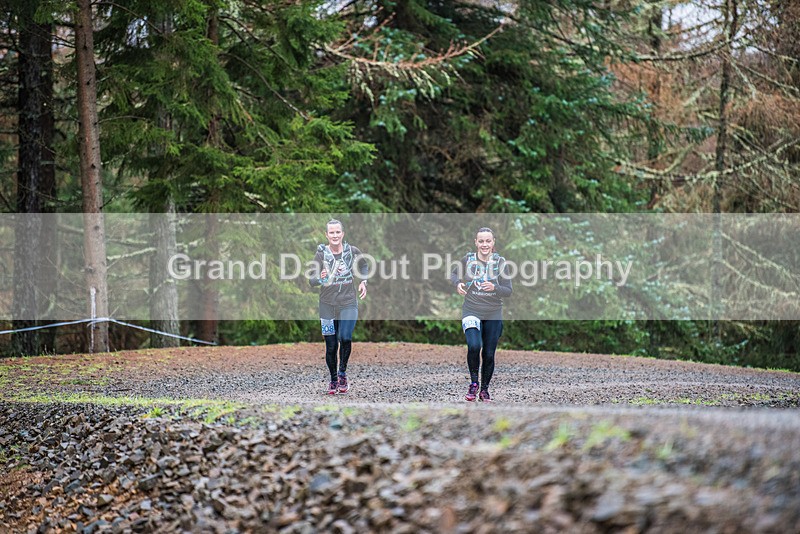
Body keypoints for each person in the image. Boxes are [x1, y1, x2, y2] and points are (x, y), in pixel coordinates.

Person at [450, 227, 512, 402]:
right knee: (474, 346)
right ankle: (474, 383)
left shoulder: (501, 263)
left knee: (489, 354)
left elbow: (508, 290)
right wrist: (458, 284)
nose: (484, 244)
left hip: (493, 313)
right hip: (471, 310)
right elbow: (453, 274)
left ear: (493, 243)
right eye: (481, 241)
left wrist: (495, 288)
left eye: (488, 241)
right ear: (476, 242)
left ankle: (485, 390)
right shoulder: (468, 259)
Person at [309, 219, 368, 395]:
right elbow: (311, 281)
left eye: (337, 232)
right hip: (327, 305)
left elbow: (364, 265)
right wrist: (321, 278)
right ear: (326, 235)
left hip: (348, 301)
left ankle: (342, 373)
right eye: (331, 233)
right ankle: (333, 379)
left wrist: (363, 280)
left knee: (345, 337)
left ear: (342, 234)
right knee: (331, 346)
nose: (335, 235)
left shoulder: (352, 251)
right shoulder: (321, 255)